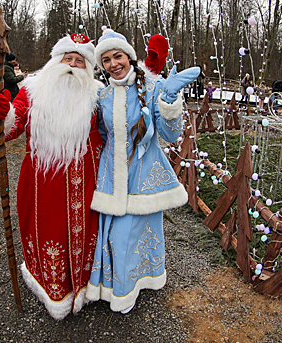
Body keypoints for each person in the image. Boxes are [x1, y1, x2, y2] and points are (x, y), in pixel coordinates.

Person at [0, 33, 103, 320]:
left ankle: (87, 286)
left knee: (89, 234)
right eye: (67, 59)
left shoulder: (98, 94)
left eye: (80, 61)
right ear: (55, 61)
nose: (72, 66)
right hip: (43, 185)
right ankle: (53, 289)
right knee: (48, 232)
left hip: (87, 184)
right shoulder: (32, 89)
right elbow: (10, 128)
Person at [85, 29, 199, 314]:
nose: (114, 64)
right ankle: (110, 287)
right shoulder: (104, 95)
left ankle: (127, 291)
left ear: (129, 57)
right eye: (107, 59)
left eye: (118, 56)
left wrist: (170, 99)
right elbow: (101, 135)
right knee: (110, 235)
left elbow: (171, 135)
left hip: (143, 178)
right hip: (111, 178)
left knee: (129, 236)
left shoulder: (153, 87)